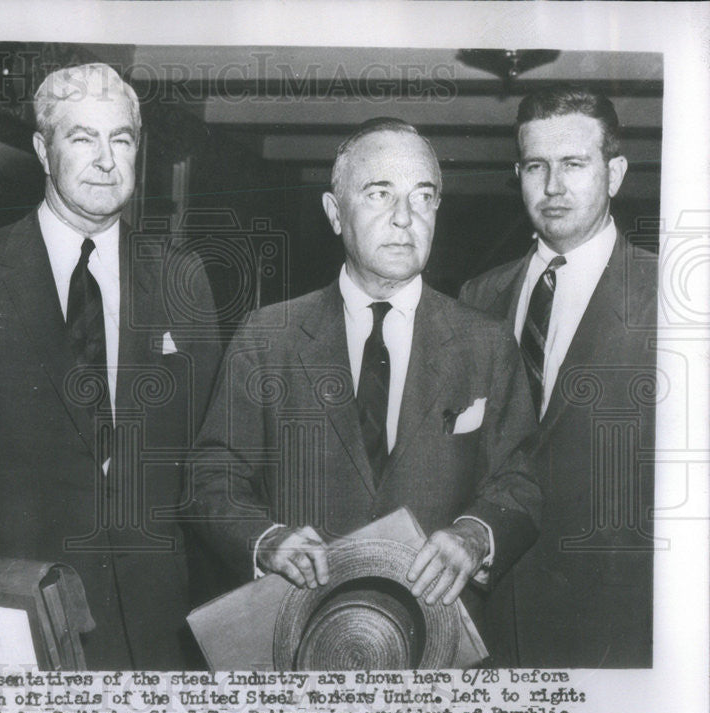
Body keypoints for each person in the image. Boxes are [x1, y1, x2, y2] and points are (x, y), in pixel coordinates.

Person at [0, 63, 222, 669]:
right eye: (82, 138)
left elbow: (209, 456)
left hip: (158, 626)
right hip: (25, 619)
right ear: (42, 149)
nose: (106, 159)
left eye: (121, 139)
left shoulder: (181, 276)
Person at [189, 118, 541, 623]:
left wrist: (475, 533)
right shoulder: (269, 337)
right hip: (301, 632)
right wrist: (266, 540)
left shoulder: (485, 341)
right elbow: (212, 476)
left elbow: (519, 482)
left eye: (423, 197)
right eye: (379, 194)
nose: (405, 218)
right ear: (335, 213)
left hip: (436, 641)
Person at [459, 85, 657, 668]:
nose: (553, 186)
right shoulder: (478, 295)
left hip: (618, 623)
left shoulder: (673, 298)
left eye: (574, 164)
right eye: (536, 166)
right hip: (492, 620)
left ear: (614, 173)